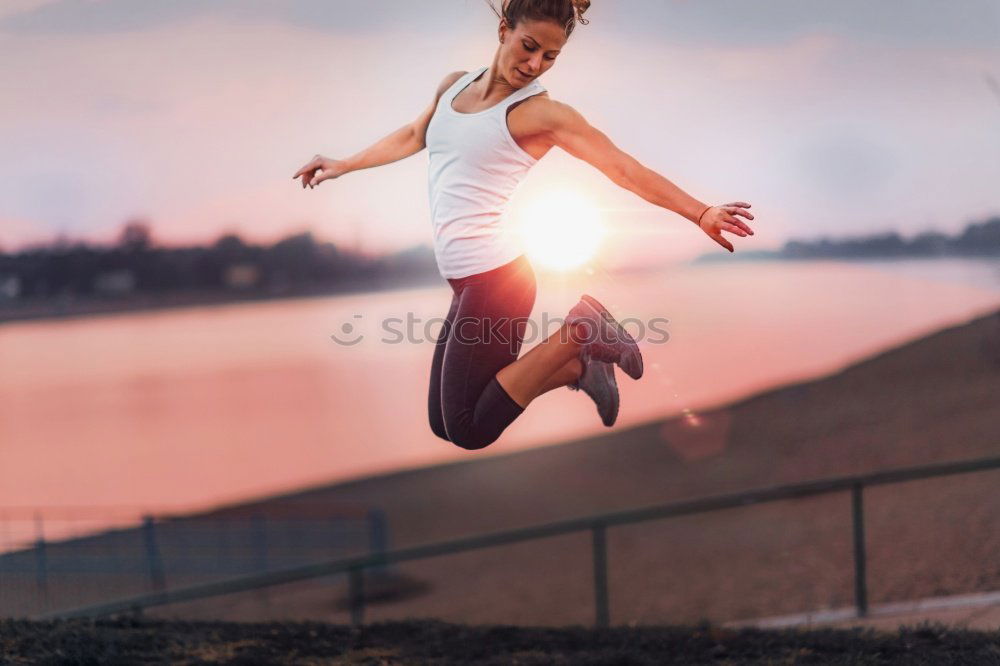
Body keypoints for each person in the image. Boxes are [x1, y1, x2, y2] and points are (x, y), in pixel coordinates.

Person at [293, 0, 755, 450]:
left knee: (470, 428)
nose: (535, 64)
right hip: (466, 280)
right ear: (503, 32)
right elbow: (415, 135)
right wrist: (344, 165)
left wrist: (699, 211)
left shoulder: (541, 114)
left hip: (497, 279)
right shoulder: (454, 86)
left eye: (550, 56)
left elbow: (622, 168)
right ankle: (581, 368)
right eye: (529, 47)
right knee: (443, 423)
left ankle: (584, 327)